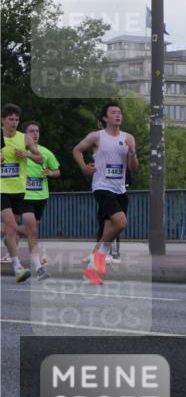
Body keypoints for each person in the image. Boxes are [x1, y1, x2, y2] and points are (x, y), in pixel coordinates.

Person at [72, 102, 139, 285]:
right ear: (105, 118)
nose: (118, 115)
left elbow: (133, 167)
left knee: (110, 230)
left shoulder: (128, 138)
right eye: (114, 112)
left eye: (120, 112)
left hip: (120, 189)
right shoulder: (97, 136)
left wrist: (132, 151)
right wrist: (84, 167)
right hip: (102, 187)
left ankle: (91, 270)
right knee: (121, 222)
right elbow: (77, 150)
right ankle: (96, 261)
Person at [2, 104, 45, 282]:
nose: (14, 122)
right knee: (11, 226)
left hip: (19, 190)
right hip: (1, 189)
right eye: (10, 119)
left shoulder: (24, 138)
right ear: (2, 120)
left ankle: (9, 244)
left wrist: (26, 155)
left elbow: (40, 159)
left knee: (16, 229)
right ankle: (18, 267)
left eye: (16, 119)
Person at [18, 121, 60, 271]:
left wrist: (50, 173)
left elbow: (57, 171)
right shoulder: (18, 151)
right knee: (33, 230)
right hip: (25, 196)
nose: (35, 134)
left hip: (41, 197)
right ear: (24, 135)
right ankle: (37, 265)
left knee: (30, 230)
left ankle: (8, 231)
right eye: (31, 131)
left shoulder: (46, 152)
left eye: (37, 131)